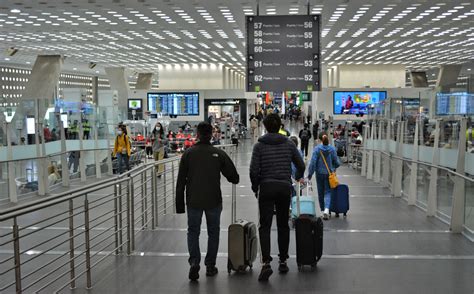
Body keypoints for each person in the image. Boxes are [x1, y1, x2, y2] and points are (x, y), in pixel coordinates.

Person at [176, 121, 239, 282]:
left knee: (193, 232)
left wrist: (179, 205)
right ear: (212, 135)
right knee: (213, 232)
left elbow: (181, 180)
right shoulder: (218, 153)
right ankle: (210, 266)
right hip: (213, 200)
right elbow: (233, 176)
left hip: (193, 200)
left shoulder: (188, 154)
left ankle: (194, 262)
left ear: (197, 134)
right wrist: (232, 177)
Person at [249, 114, 305, 281]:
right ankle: (283, 260)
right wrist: (296, 177)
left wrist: (255, 187)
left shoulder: (259, 145)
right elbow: (300, 165)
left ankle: (266, 262)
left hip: (266, 187)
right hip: (283, 187)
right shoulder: (288, 144)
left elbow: (253, 170)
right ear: (280, 125)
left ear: (265, 127)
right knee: (283, 224)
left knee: (264, 226)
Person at [307, 134, 341, 220]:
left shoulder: (317, 149)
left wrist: (310, 174)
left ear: (320, 140)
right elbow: (337, 162)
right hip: (329, 174)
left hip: (319, 174)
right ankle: (326, 209)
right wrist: (333, 168)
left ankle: (323, 211)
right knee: (328, 192)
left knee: (320, 192)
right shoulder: (332, 149)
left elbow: (313, 163)